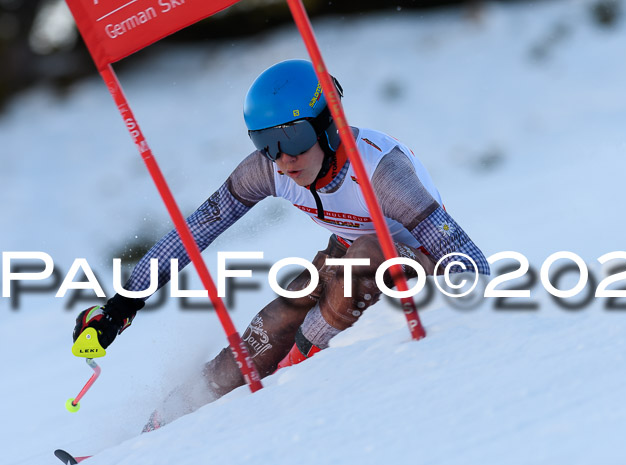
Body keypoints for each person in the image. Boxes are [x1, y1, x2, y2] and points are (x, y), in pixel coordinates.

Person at [72, 59, 490, 428]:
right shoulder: (270, 169)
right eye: (265, 143)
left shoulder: (382, 171)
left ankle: (292, 378)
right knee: (276, 320)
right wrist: (120, 307)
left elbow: (471, 265)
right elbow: (194, 233)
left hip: (419, 270)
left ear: (330, 126)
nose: (283, 159)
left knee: (366, 254)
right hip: (348, 256)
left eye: (292, 139)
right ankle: (163, 424)